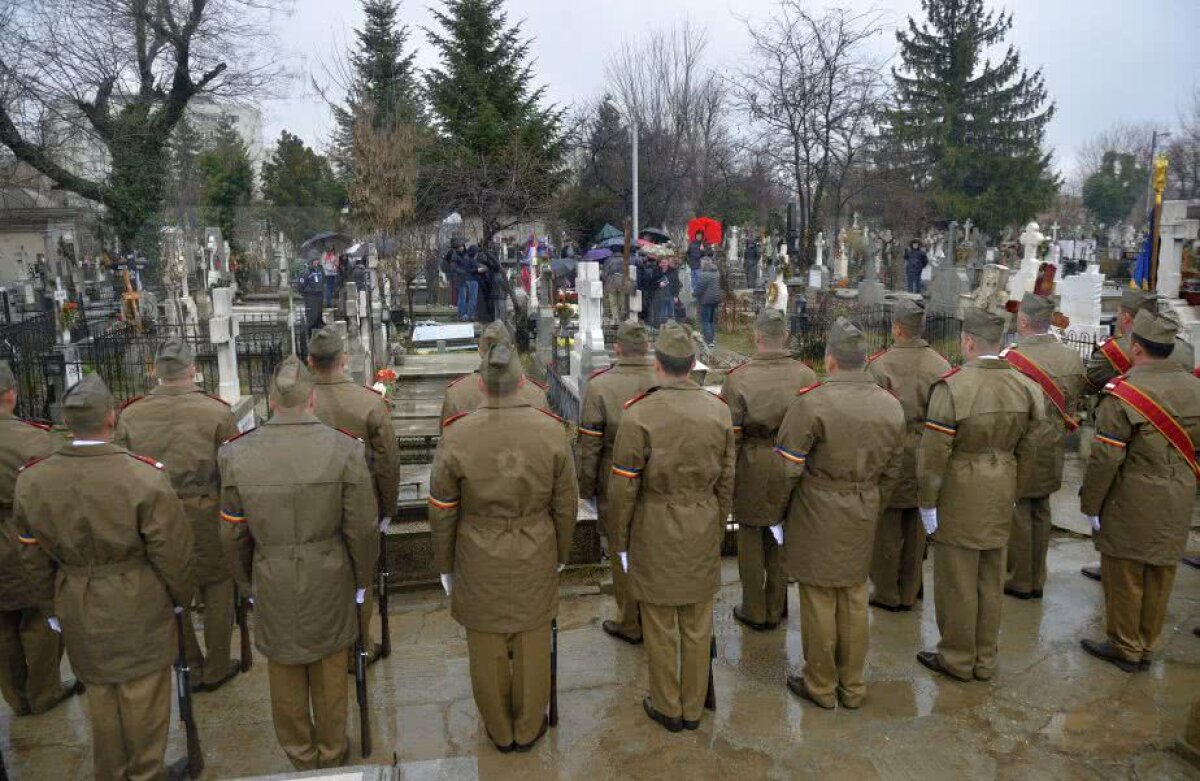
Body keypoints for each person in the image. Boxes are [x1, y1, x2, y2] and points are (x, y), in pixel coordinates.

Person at [15, 374, 194, 781]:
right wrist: (180, 597)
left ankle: (111, 772)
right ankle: (146, 773)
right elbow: (172, 552)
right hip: (138, 597)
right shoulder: (143, 476)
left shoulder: (34, 480)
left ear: (66, 423)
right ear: (111, 419)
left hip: (76, 597)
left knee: (100, 696)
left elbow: (31, 555)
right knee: (144, 696)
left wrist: (51, 606)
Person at [218, 357, 378, 770]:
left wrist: (246, 583)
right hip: (329, 572)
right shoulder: (345, 449)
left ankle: (302, 757)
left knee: (284, 670)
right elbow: (361, 528)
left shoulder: (237, 455)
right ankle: (331, 751)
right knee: (329, 667)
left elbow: (233, 533)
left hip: (271, 573)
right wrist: (363, 581)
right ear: (312, 400)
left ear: (272, 401)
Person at [428, 343, 578, 752]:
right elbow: (566, 504)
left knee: (486, 642)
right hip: (535, 544)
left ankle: (499, 728)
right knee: (532, 637)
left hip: (478, 549)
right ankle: (529, 727)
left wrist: (445, 565)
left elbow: (442, 510)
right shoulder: (551, 429)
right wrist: (561, 554)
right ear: (520, 383)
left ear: (481, 384)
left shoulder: (457, 433)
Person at [770, 318, 904, 709]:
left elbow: (787, 468)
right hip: (864, 505)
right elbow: (894, 470)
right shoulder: (890, 405)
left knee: (818, 598)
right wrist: (873, 504)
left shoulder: (812, 402)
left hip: (817, 508)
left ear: (830, 360)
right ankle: (853, 685)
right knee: (854, 596)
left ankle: (821, 685)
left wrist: (778, 513)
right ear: (863, 361)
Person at [609, 321, 735, 732]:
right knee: (698, 622)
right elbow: (726, 481)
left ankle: (668, 705)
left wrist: (621, 539)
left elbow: (624, 488)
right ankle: (694, 706)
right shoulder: (718, 411)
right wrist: (715, 527)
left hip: (655, 524)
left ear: (658, 365)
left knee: (661, 622)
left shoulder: (639, 414)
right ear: (692, 364)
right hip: (701, 521)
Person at [915, 307, 1042, 682]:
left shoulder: (953, 387)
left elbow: (934, 455)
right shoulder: (1026, 385)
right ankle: (984, 658)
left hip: (961, 488)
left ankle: (956, 657)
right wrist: (1015, 491)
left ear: (968, 342)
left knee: (957, 578)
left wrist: (927, 502)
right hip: (1003, 484)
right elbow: (1031, 450)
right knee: (990, 578)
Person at [113, 338, 242, 692]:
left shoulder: (131, 414)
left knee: (170, 589)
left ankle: (190, 663)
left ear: (155, 371)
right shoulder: (216, 411)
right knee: (216, 586)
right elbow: (232, 472)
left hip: (154, 512)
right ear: (191, 370)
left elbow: (121, 472)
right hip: (205, 508)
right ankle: (216, 666)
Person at [1078, 311, 1200, 673]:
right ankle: (1148, 643)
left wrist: (1091, 503)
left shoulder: (1124, 395)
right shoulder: (1196, 389)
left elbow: (1105, 458)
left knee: (1125, 572)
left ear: (1135, 348)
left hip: (1131, 495)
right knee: (1162, 570)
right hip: (1179, 492)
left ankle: (1125, 645)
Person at [1079, 287, 1193, 581]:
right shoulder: (1183, 349)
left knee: (1121, 502)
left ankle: (1113, 563)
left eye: (1119, 314)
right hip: (1178, 439)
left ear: (1128, 318)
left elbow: (1090, 381)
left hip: (1127, 432)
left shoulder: (1114, 351)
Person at [307, 328, 400, 667]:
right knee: (361, 577)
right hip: (362, 507)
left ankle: (329, 644)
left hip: (311, 508)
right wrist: (388, 508)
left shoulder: (299, 405)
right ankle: (358, 644)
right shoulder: (368, 402)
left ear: (310, 362)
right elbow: (387, 461)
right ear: (343, 360)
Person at [722, 310, 816, 631]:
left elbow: (731, 435)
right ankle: (777, 606)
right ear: (785, 337)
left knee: (750, 535)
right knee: (781, 533)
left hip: (753, 459)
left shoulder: (738, 378)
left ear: (756, 336)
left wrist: (728, 477)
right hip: (792, 458)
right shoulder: (805, 376)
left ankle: (754, 608)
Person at [0, 361, 79, 717]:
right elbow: (54, 493)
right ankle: (44, 691)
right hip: (21, 535)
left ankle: (16, 697)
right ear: (11, 394)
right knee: (38, 618)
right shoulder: (34, 439)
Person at [866, 299, 951, 612]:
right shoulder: (941, 365)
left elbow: (871, 417)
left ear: (897, 328)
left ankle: (886, 591)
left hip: (891, 451)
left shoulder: (880, 365)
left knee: (887, 525)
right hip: (927, 450)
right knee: (917, 525)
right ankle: (910, 588)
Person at [1000, 294, 1087, 600]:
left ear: (1023, 321)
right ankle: (1037, 576)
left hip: (1023, 443)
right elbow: (1076, 399)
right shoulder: (1071, 358)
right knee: (1041, 508)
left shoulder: (1011, 360)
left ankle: (1019, 579)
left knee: (1020, 511)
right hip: (1055, 443)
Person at [577, 321, 658, 645]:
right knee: (652, 548)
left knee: (621, 549)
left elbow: (590, 446)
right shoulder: (661, 378)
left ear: (618, 349)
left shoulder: (600, 386)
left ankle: (630, 620)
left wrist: (586, 488)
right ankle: (654, 614)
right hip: (656, 474)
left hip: (615, 475)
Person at [441, 321, 547, 426]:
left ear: (480, 351)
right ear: (511, 349)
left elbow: (447, 437)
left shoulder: (456, 393)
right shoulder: (537, 393)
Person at [694, 257, 722, 347]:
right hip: (715, 299)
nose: (700, 265)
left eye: (701, 264)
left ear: (705, 264)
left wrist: (694, 294)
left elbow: (700, 288)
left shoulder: (705, 275)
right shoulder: (716, 273)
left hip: (706, 300)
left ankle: (708, 341)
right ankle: (712, 339)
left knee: (705, 320)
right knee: (711, 320)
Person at [298, 258, 326, 336]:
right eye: (315, 260)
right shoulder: (306, 272)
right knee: (312, 316)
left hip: (319, 294)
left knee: (318, 312)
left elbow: (322, 281)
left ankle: (319, 326)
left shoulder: (319, 270)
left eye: (317, 260)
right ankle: (311, 333)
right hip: (310, 295)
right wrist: (306, 293)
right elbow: (301, 285)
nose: (317, 262)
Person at [442, 238, 466, 314]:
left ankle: (453, 303)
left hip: (452, 274)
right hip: (455, 275)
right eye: (461, 246)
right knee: (455, 290)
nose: (463, 247)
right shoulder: (454, 253)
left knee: (454, 289)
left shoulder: (451, 252)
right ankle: (454, 304)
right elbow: (453, 266)